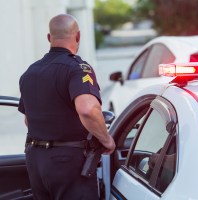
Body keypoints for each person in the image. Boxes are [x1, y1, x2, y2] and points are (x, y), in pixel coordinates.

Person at [18, 14, 115, 199]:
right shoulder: (77, 69)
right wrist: (106, 139)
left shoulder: (30, 72)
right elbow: (88, 109)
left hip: (35, 160)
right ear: (78, 36)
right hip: (67, 162)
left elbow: (28, 119)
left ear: (49, 38)